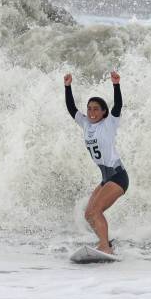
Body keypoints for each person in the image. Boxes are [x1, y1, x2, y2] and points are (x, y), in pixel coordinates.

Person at [64, 71, 129, 254]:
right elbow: (71, 108)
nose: (92, 112)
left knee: (95, 212)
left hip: (118, 176)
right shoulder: (85, 124)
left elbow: (117, 106)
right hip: (105, 178)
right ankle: (107, 244)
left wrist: (116, 85)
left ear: (103, 112)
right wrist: (67, 87)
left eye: (96, 109)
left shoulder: (110, 123)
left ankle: (105, 247)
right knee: (88, 214)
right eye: (89, 108)